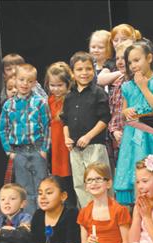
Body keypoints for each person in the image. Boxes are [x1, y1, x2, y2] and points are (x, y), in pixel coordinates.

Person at [114, 39, 153, 206]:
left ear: (149, 58)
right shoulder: (127, 86)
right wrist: (125, 112)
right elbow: (124, 114)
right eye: (130, 62)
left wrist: (144, 87)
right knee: (136, 171)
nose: (133, 65)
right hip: (132, 138)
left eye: (137, 60)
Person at [62, 163, 131, 243]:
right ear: (86, 186)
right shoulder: (84, 212)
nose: (93, 183)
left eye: (98, 179)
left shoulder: (119, 210)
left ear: (108, 183)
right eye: (89, 180)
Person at [0, 63, 51, 215]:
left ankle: (43, 220)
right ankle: (29, 222)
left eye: (29, 81)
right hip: (19, 151)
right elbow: (3, 129)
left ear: (34, 83)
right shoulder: (9, 104)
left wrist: (44, 149)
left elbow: (48, 126)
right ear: (15, 80)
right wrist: (9, 151)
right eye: (21, 80)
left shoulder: (40, 102)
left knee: (42, 187)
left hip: (37, 148)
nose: (25, 84)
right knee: (24, 188)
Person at [61, 51, 111, 208]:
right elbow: (65, 121)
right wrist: (66, 138)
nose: (84, 73)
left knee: (98, 181)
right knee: (80, 184)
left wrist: (88, 136)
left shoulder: (98, 93)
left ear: (94, 70)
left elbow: (104, 119)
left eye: (88, 69)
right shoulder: (69, 96)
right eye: (80, 69)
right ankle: (88, 218)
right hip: (75, 149)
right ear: (73, 72)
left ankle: (104, 216)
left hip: (94, 146)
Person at [44, 61, 76, 207]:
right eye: (52, 85)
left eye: (59, 85)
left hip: (68, 145)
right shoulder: (49, 100)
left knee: (71, 179)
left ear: (68, 84)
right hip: (56, 146)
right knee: (60, 181)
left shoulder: (71, 99)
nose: (55, 89)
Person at [28, 176, 81, 243]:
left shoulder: (72, 213)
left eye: (49, 193)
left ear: (63, 196)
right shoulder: (38, 215)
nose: (43, 197)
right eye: (40, 193)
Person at [107, 40, 133, 166]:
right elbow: (113, 112)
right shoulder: (117, 84)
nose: (120, 62)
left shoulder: (138, 82)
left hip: (136, 139)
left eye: (124, 58)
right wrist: (114, 131)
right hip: (119, 140)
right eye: (117, 58)